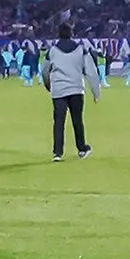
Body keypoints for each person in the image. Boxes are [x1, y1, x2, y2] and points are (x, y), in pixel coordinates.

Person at [43, 21, 98, 162]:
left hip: (59, 90)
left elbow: (44, 71)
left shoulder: (52, 51)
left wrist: (49, 86)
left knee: (59, 122)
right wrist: (95, 91)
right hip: (76, 89)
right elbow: (91, 71)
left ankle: (57, 153)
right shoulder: (81, 49)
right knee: (77, 120)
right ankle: (81, 148)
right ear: (71, 33)